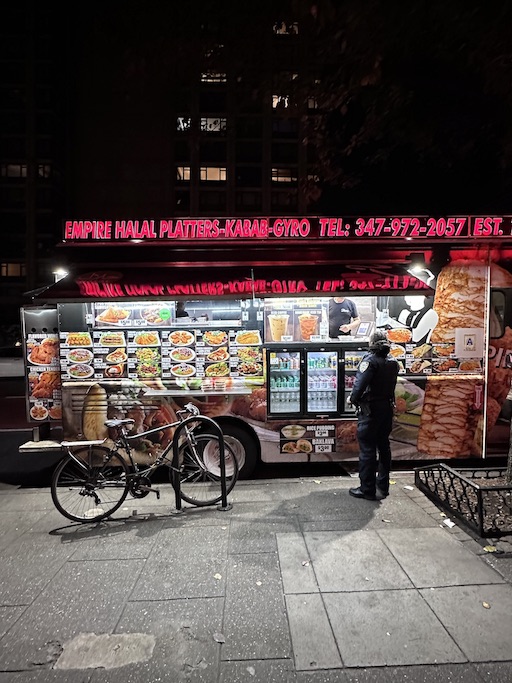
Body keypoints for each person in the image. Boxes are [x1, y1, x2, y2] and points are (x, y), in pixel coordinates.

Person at [348, 330, 399, 500]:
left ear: (372, 344)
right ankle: (383, 486)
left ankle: (367, 489)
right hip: (386, 408)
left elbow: (360, 384)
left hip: (370, 410)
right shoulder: (393, 362)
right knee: (384, 447)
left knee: (368, 448)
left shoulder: (369, 361)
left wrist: (352, 399)